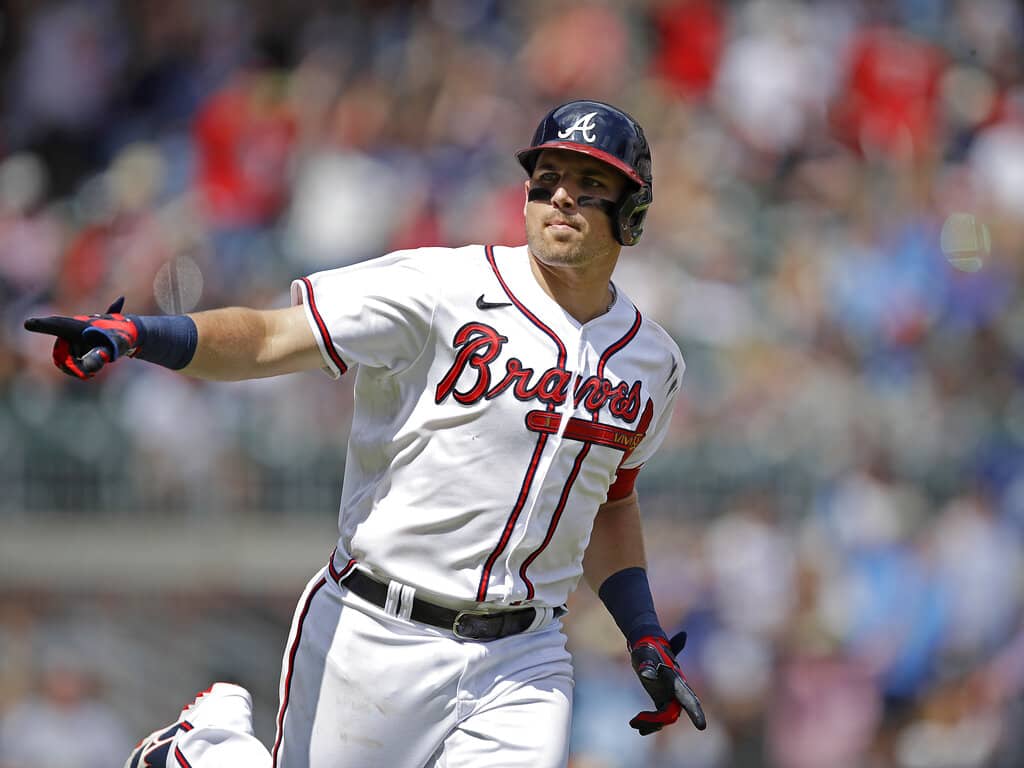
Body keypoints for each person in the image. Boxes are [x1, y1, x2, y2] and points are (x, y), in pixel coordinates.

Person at [26, 99, 706, 768]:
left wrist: (642, 631)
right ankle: (206, 748)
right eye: (548, 177)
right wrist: (145, 334)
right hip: (378, 627)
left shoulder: (653, 361)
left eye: (590, 184)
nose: (561, 197)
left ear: (633, 210)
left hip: (523, 660)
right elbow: (270, 338)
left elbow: (611, 498)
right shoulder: (442, 285)